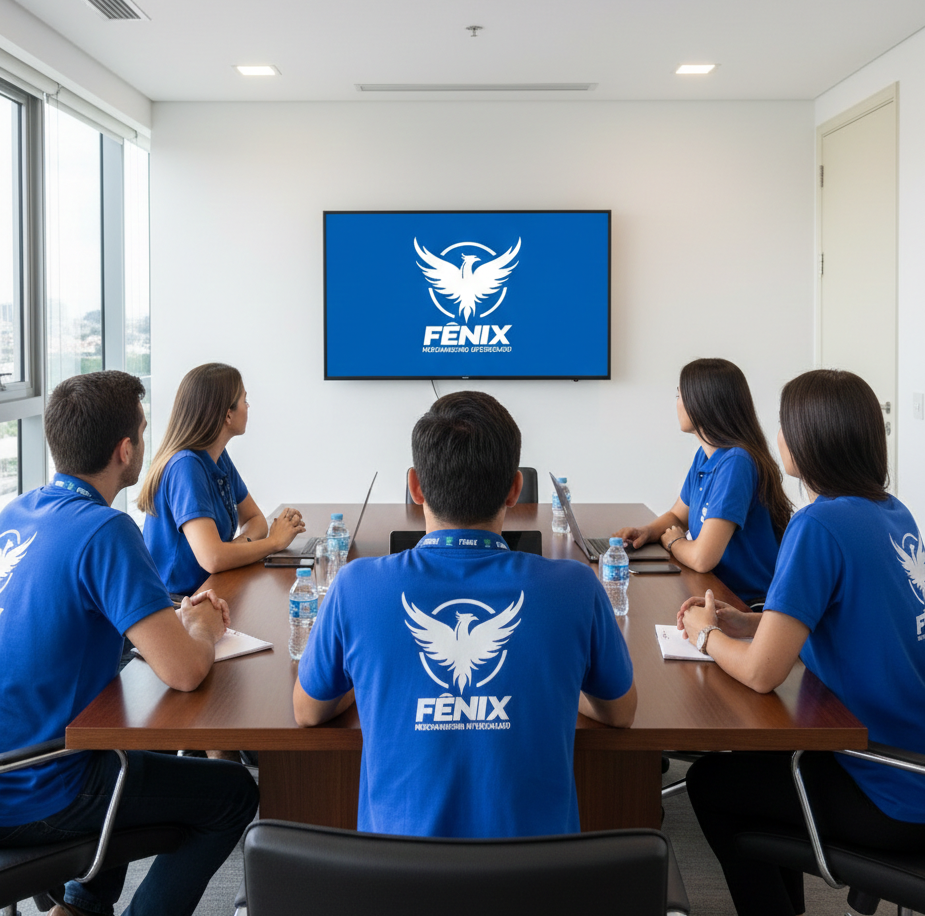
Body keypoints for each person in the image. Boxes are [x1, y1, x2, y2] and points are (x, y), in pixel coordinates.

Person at [293, 390, 636, 838]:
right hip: (540, 884)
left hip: (396, 884)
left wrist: (375, 675)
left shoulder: (356, 587)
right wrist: (557, 684)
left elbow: (308, 710)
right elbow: (620, 712)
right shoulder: (575, 588)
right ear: (514, 489)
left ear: (415, 487)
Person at [0, 370, 258, 916]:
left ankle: (79, 907)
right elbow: (185, 672)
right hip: (40, 785)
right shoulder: (105, 530)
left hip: (9, 764)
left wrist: (167, 618)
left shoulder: (16, 514)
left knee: (130, 747)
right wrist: (202, 629)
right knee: (233, 792)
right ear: (125, 449)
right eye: (143, 430)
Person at [677, 369, 925, 916]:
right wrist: (751, 623)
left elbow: (762, 674)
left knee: (712, 785)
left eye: (787, 426)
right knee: (750, 782)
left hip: (889, 788)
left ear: (811, 440)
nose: (780, 438)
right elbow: (855, 621)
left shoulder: (819, 525)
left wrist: (707, 634)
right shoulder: (893, 513)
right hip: (916, 760)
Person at [616, 357, 791, 607]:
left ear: (702, 402)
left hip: (746, 605)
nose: (676, 403)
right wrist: (648, 532)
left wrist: (675, 542)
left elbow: (702, 558)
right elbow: (678, 516)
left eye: (679, 395)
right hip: (713, 590)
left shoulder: (736, 463)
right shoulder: (705, 456)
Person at [139, 362, 305, 597]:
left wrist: (235, 547)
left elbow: (256, 519)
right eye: (244, 400)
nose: (248, 407)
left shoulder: (217, 457)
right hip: (179, 602)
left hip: (211, 587)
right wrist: (275, 543)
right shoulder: (185, 466)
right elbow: (213, 558)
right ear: (228, 414)